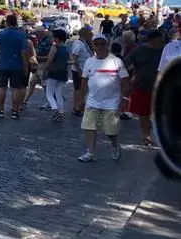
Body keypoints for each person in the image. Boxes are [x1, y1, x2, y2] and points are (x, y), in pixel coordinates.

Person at [78, 34, 130, 162]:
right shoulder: (89, 61)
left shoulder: (116, 61)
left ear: (107, 45)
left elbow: (125, 80)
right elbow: (84, 81)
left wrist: (124, 98)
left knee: (110, 131)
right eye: (96, 44)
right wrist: (80, 99)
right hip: (92, 101)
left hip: (111, 102)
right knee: (89, 127)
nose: (100, 46)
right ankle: (90, 153)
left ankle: (114, 144)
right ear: (93, 46)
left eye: (102, 44)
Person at [127, 29, 165, 146]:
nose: (163, 43)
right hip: (143, 86)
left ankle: (160, 136)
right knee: (143, 113)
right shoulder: (140, 50)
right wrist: (131, 76)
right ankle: (147, 136)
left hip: (162, 88)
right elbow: (125, 63)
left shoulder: (165, 50)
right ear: (153, 40)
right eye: (161, 41)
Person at [44, 29, 70, 122]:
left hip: (54, 72)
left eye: (54, 37)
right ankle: (61, 113)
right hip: (63, 72)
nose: (53, 39)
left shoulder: (55, 47)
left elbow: (49, 60)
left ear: (57, 38)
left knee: (49, 93)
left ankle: (54, 109)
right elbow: (68, 60)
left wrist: (45, 70)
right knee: (59, 94)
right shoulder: (66, 48)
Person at [24, 28, 52, 109]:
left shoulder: (47, 41)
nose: (35, 34)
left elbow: (49, 56)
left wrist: (36, 57)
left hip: (43, 64)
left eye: (36, 33)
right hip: (37, 64)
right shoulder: (38, 40)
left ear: (41, 33)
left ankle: (51, 102)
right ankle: (25, 100)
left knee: (45, 84)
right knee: (32, 82)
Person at [70, 26, 94, 116]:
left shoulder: (84, 43)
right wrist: (79, 70)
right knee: (79, 90)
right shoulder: (78, 43)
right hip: (79, 70)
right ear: (85, 35)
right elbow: (74, 57)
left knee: (82, 89)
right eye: (89, 34)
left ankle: (80, 106)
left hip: (84, 70)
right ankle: (77, 107)